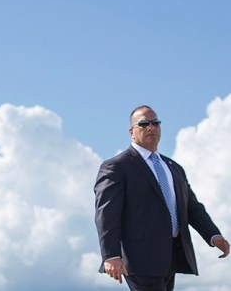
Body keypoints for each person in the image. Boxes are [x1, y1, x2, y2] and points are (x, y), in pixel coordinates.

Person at [94, 105, 230, 290]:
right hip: (139, 258)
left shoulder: (173, 167)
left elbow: (192, 208)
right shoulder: (117, 167)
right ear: (131, 131)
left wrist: (214, 236)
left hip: (171, 256)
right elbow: (107, 214)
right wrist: (110, 255)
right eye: (144, 123)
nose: (151, 127)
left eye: (155, 123)